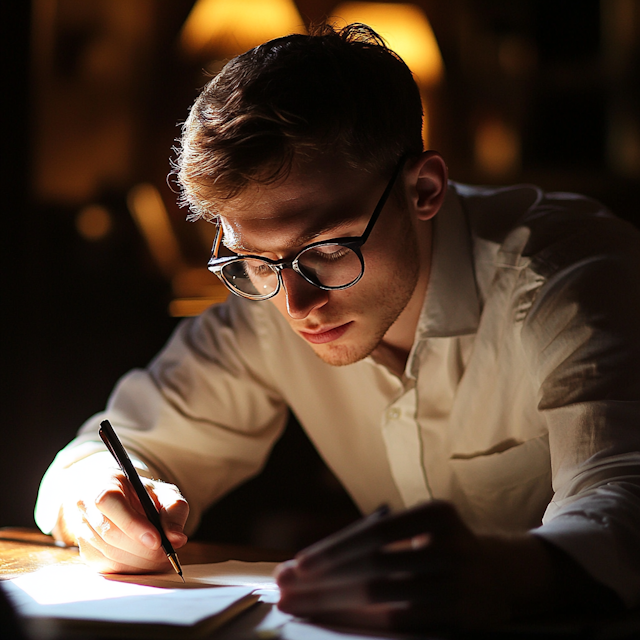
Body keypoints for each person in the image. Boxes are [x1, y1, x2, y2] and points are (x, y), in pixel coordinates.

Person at [35, 23, 640, 631]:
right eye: (252, 259)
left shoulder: (570, 274)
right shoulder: (265, 295)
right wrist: (104, 497)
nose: (296, 302)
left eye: (325, 250)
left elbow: (625, 500)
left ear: (423, 188)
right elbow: (102, 452)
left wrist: (501, 569)